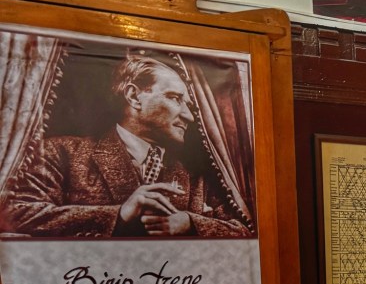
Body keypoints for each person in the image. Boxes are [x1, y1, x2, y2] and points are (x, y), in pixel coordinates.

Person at [1, 54, 251, 239]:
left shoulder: (196, 176)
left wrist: (189, 223)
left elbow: (243, 230)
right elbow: (16, 214)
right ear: (133, 96)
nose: (190, 116)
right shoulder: (60, 151)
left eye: (189, 105)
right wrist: (117, 215)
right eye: (175, 98)